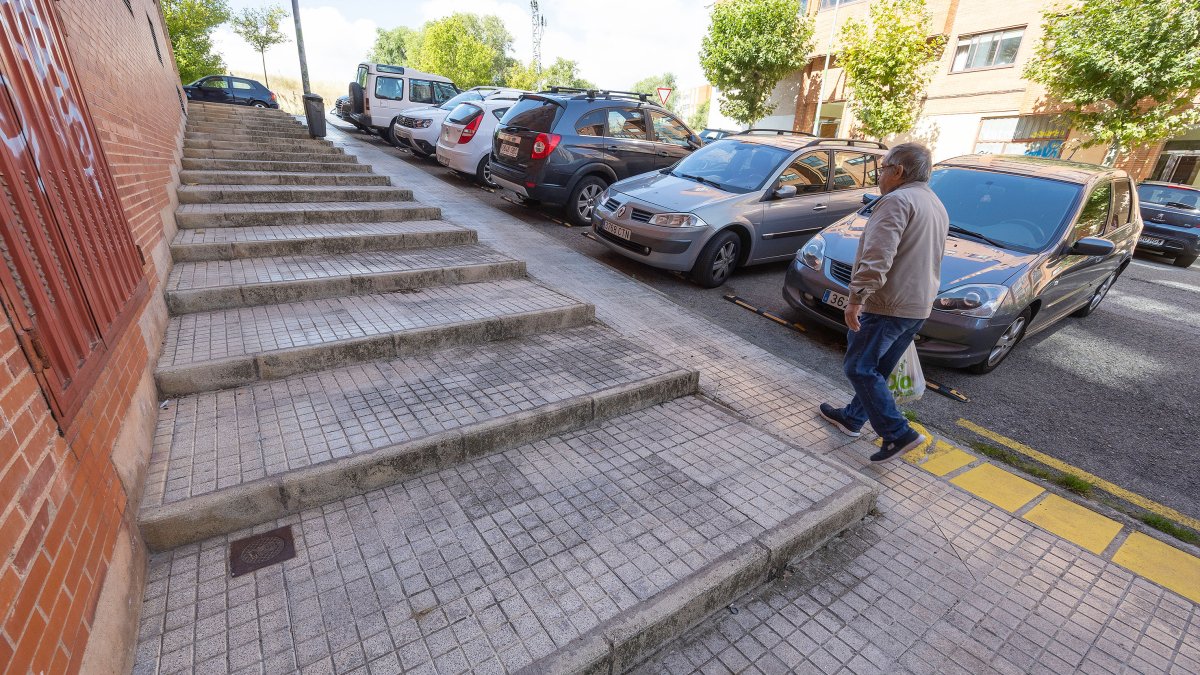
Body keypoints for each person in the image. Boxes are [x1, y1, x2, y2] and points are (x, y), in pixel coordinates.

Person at [819, 143, 948, 462]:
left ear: (898, 171)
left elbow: (878, 255)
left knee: (858, 366)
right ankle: (852, 418)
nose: (879, 176)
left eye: (882, 169)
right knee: (877, 368)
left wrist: (856, 298)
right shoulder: (934, 203)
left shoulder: (896, 201)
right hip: (917, 305)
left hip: (889, 303)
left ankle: (897, 433)